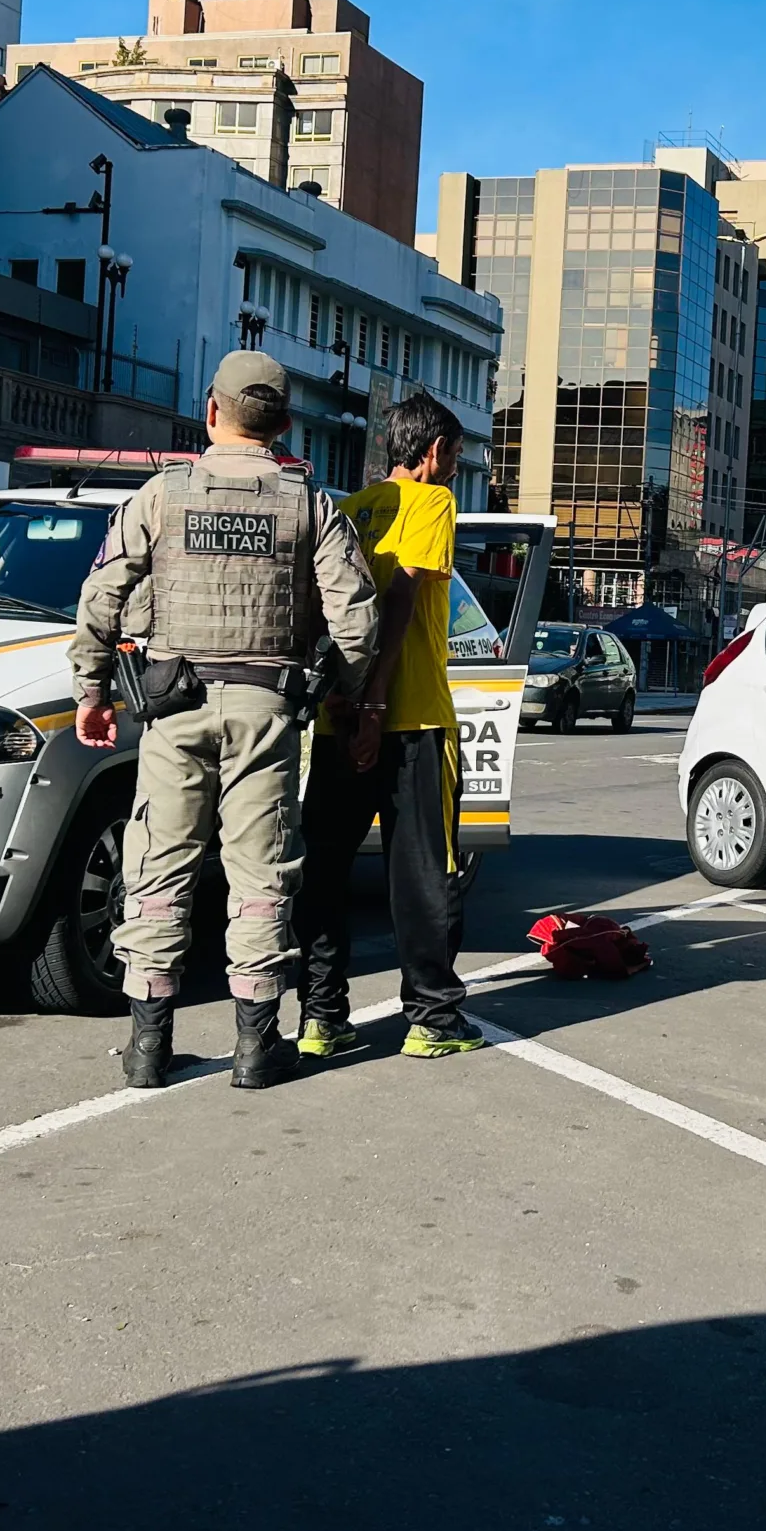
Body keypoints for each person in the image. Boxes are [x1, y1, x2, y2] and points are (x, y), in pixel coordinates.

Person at [70, 351, 380, 1090]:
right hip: (266, 708)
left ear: (213, 411)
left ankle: (147, 1049)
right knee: (260, 871)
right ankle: (253, 1048)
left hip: (173, 704)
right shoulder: (310, 504)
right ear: (284, 424)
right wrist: (330, 688)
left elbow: (100, 599)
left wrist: (91, 692)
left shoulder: (162, 495)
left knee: (157, 865)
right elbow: (358, 623)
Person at [294, 391, 485, 1061]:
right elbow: (403, 594)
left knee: (324, 868)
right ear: (432, 454)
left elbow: (320, 608)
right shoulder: (432, 503)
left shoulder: (347, 510)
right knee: (423, 872)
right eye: (456, 458)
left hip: (335, 717)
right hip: (410, 717)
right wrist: (377, 700)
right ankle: (433, 1016)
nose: (455, 470)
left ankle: (321, 1016)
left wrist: (344, 699)